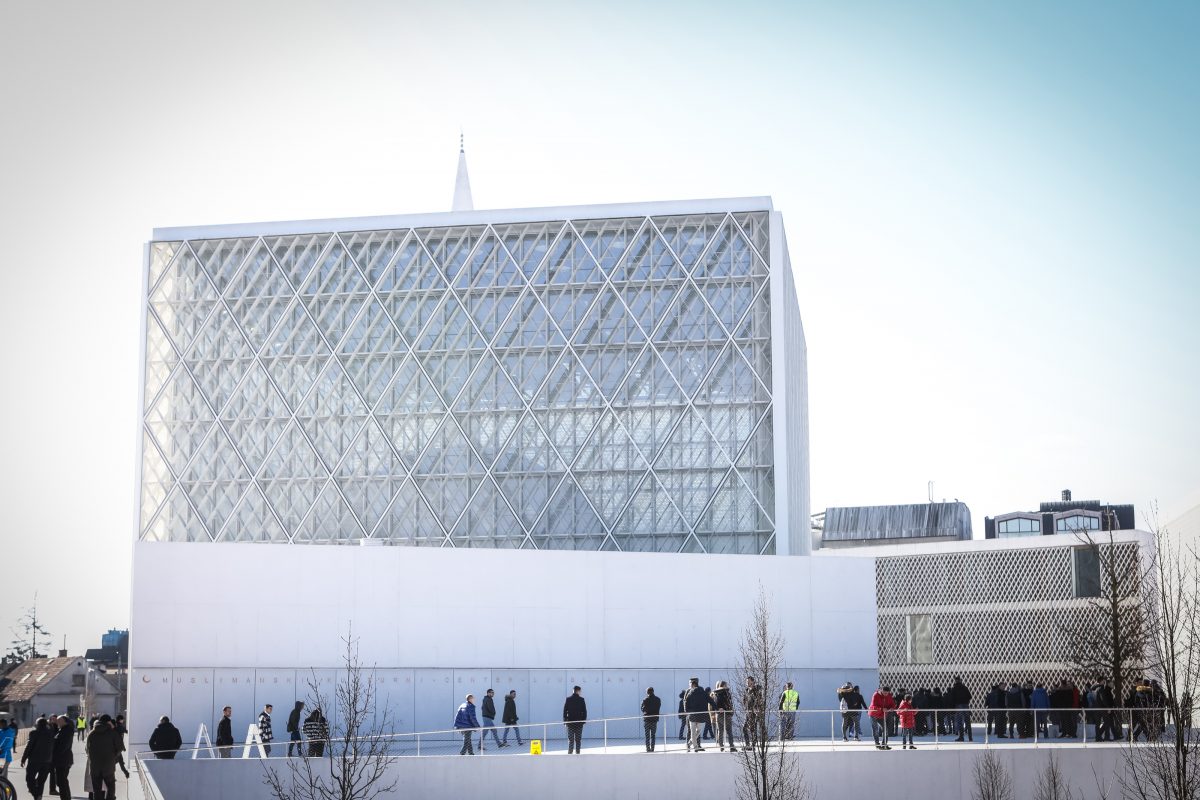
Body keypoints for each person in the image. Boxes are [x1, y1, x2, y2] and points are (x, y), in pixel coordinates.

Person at [86, 715, 119, 800]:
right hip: (108, 766)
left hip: (95, 766)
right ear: (108, 722)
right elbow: (120, 747)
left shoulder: (91, 733)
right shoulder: (112, 733)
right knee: (110, 786)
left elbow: (87, 749)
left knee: (96, 790)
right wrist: (113, 757)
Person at [22, 717, 54, 799]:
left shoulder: (34, 733)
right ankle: (39, 796)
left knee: (29, 779)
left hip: (34, 761)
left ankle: (36, 794)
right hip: (47, 761)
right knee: (41, 781)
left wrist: (23, 759)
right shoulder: (51, 733)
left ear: (37, 724)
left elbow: (29, 747)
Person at [683, 678, 709, 752]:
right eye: (689, 682)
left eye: (691, 682)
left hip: (698, 713)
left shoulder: (700, 689)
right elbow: (685, 701)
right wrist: (686, 711)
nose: (690, 684)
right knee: (690, 731)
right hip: (690, 714)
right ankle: (689, 746)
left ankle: (696, 745)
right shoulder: (688, 691)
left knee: (698, 731)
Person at [52, 715, 73, 800]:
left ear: (65, 722)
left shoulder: (66, 731)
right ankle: (66, 797)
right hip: (62, 760)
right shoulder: (62, 730)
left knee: (61, 781)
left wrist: (55, 756)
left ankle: (65, 798)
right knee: (62, 781)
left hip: (63, 760)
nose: (57, 722)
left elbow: (63, 746)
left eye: (59, 721)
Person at [868, 686, 895, 750]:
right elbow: (873, 706)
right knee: (875, 730)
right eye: (884, 693)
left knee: (885, 730)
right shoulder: (876, 695)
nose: (886, 694)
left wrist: (892, 708)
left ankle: (884, 744)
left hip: (881, 715)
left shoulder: (889, 696)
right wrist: (881, 709)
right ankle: (877, 744)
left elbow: (893, 704)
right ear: (881, 691)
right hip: (873, 714)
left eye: (887, 693)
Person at [712, 681, 736, 752]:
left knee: (720, 731)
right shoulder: (726, 693)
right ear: (724, 685)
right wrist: (730, 712)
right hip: (726, 714)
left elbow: (714, 704)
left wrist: (717, 709)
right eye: (726, 685)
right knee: (729, 731)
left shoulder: (715, 693)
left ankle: (721, 746)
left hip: (718, 714)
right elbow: (729, 704)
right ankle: (731, 746)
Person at [563, 686, 587, 755]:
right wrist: (583, 721)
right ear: (578, 691)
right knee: (578, 740)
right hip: (579, 723)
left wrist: (565, 721)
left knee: (571, 740)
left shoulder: (568, 699)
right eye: (580, 691)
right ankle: (577, 753)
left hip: (570, 723)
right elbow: (584, 711)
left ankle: (570, 753)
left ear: (573, 691)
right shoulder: (581, 699)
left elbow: (565, 711)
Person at [743, 677, 764, 748]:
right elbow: (744, 699)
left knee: (753, 728)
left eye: (748, 681)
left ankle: (753, 744)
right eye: (746, 682)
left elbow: (759, 700)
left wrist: (756, 709)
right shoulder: (746, 690)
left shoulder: (757, 690)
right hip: (748, 711)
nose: (747, 683)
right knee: (745, 728)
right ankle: (748, 744)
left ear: (753, 682)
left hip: (755, 712)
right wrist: (745, 706)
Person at [950, 676, 973, 741]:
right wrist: (966, 702)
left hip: (958, 706)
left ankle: (961, 737)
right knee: (968, 722)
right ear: (960, 680)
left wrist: (953, 708)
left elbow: (952, 699)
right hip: (965, 705)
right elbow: (969, 696)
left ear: (955, 681)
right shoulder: (965, 688)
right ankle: (970, 737)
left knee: (960, 722)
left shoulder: (954, 688)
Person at [641, 687, 662, 752]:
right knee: (653, 735)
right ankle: (652, 749)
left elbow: (642, 709)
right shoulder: (658, 699)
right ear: (653, 691)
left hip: (647, 720)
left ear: (647, 692)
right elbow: (658, 707)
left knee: (647, 735)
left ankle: (648, 748)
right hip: (654, 720)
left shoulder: (645, 700)